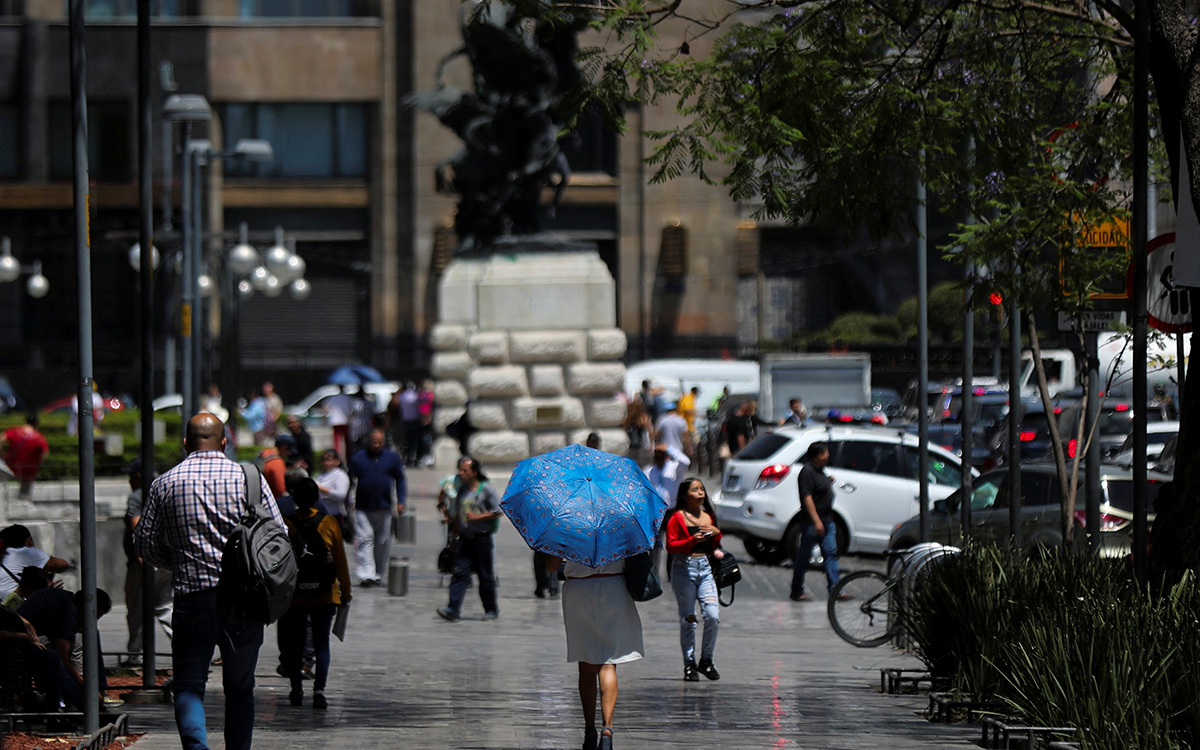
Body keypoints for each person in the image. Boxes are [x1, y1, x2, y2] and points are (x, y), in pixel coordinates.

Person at [133, 412, 281, 750]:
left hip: (192, 598)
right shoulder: (249, 478)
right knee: (241, 688)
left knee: (188, 686)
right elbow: (278, 535)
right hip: (244, 601)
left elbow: (143, 543)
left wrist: (177, 561)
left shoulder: (165, 482)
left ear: (185, 443)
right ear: (225, 442)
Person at [543, 548, 643, 750]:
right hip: (613, 587)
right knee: (608, 664)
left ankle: (590, 729)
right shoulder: (619, 520)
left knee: (586, 664)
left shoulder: (568, 522)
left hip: (580, 590)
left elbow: (551, 567)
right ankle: (607, 728)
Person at [278, 478, 351, 710]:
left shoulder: (286, 524)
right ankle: (319, 690)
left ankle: (296, 689)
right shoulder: (329, 523)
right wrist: (346, 592)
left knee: (295, 643)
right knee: (321, 643)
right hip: (325, 594)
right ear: (316, 498)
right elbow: (340, 561)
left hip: (296, 595)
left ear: (295, 499)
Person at [664, 477, 723, 681]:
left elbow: (715, 542)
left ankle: (706, 659)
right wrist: (691, 541)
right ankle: (689, 664)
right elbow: (671, 546)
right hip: (684, 568)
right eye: (695, 490)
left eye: (702, 489)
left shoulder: (708, 516)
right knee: (689, 619)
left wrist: (715, 533)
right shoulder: (677, 518)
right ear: (684, 496)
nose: (700, 493)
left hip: (705, 568)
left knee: (713, 615)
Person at [436, 456, 502, 622]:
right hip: (465, 539)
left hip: (482, 539)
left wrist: (478, 517)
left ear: (474, 472)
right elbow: (458, 515)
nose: (461, 473)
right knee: (460, 573)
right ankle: (453, 609)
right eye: (460, 469)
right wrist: (453, 540)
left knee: (485, 575)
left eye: (464, 470)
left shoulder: (486, 490)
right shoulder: (462, 491)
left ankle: (491, 609)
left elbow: (498, 511)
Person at [122, 458, 173, 668]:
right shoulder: (165, 490)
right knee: (166, 607)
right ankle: (187, 650)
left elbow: (137, 527)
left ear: (139, 477)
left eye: (131, 476)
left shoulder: (138, 495)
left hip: (145, 562)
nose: (129, 480)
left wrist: (142, 556)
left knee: (137, 610)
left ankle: (135, 654)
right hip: (166, 559)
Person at [348, 429, 407, 586]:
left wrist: (401, 501)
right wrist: (348, 499)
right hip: (363, 507)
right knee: (364, 539)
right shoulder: (358, 458)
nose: (376, 445)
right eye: (374, 442)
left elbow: (400, 479)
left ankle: (378, 573)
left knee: (382, 541)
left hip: (385, 507)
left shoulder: (392, 458)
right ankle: (366, 574)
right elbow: (350, 479)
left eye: (379, 443)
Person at [789, 442, 845, 602]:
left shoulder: (819, 471)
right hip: (813, 522)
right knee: (804, 556)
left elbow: (819, 487)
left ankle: (835, 589)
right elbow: (807, 498)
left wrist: (828, 481)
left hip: (828, 520)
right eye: (826, 453)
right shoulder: (806, 472)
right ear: (819, 455)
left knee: (830, 554)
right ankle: (797, 589)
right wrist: (816, 521)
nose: (828, 456)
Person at [0, 524, 69, 599]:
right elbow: (63, 565)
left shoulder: (5, 559)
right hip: (17, 607)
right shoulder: (25, 553)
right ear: (29, 541)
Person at [2, 414, 49, 499]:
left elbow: (1, 439)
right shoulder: (38, 437)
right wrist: (38, 463)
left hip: (11, 466)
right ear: (36, 424)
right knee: (24, 496)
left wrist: (2, 454)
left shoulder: (16, 431)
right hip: (28, 470)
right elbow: (44, 453)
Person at [315, 449, 352, 533]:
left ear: (337, 461)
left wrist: (322, 489)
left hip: (334, 515)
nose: (326, 462)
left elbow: (341, 495)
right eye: (324, 460)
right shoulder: (320, 476)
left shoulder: (340, 475)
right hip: (320, 516)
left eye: (329, 460)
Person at [391, 382, 422, 467]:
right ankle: (414, 459)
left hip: (405, 421)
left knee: (406, 441)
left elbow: (395, 403)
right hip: (415, 421)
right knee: (414, 441)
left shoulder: (402, 397)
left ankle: (407, 458)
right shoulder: (416, 396)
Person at [325, 385, 353, 459]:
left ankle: (337, 458)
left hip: (335, 421)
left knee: (337, 442)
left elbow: (326, 408)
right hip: (345, 421)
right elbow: (351, 410)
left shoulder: (332, 398)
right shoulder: (348, 398)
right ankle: (348, 457)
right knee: (347, 442)